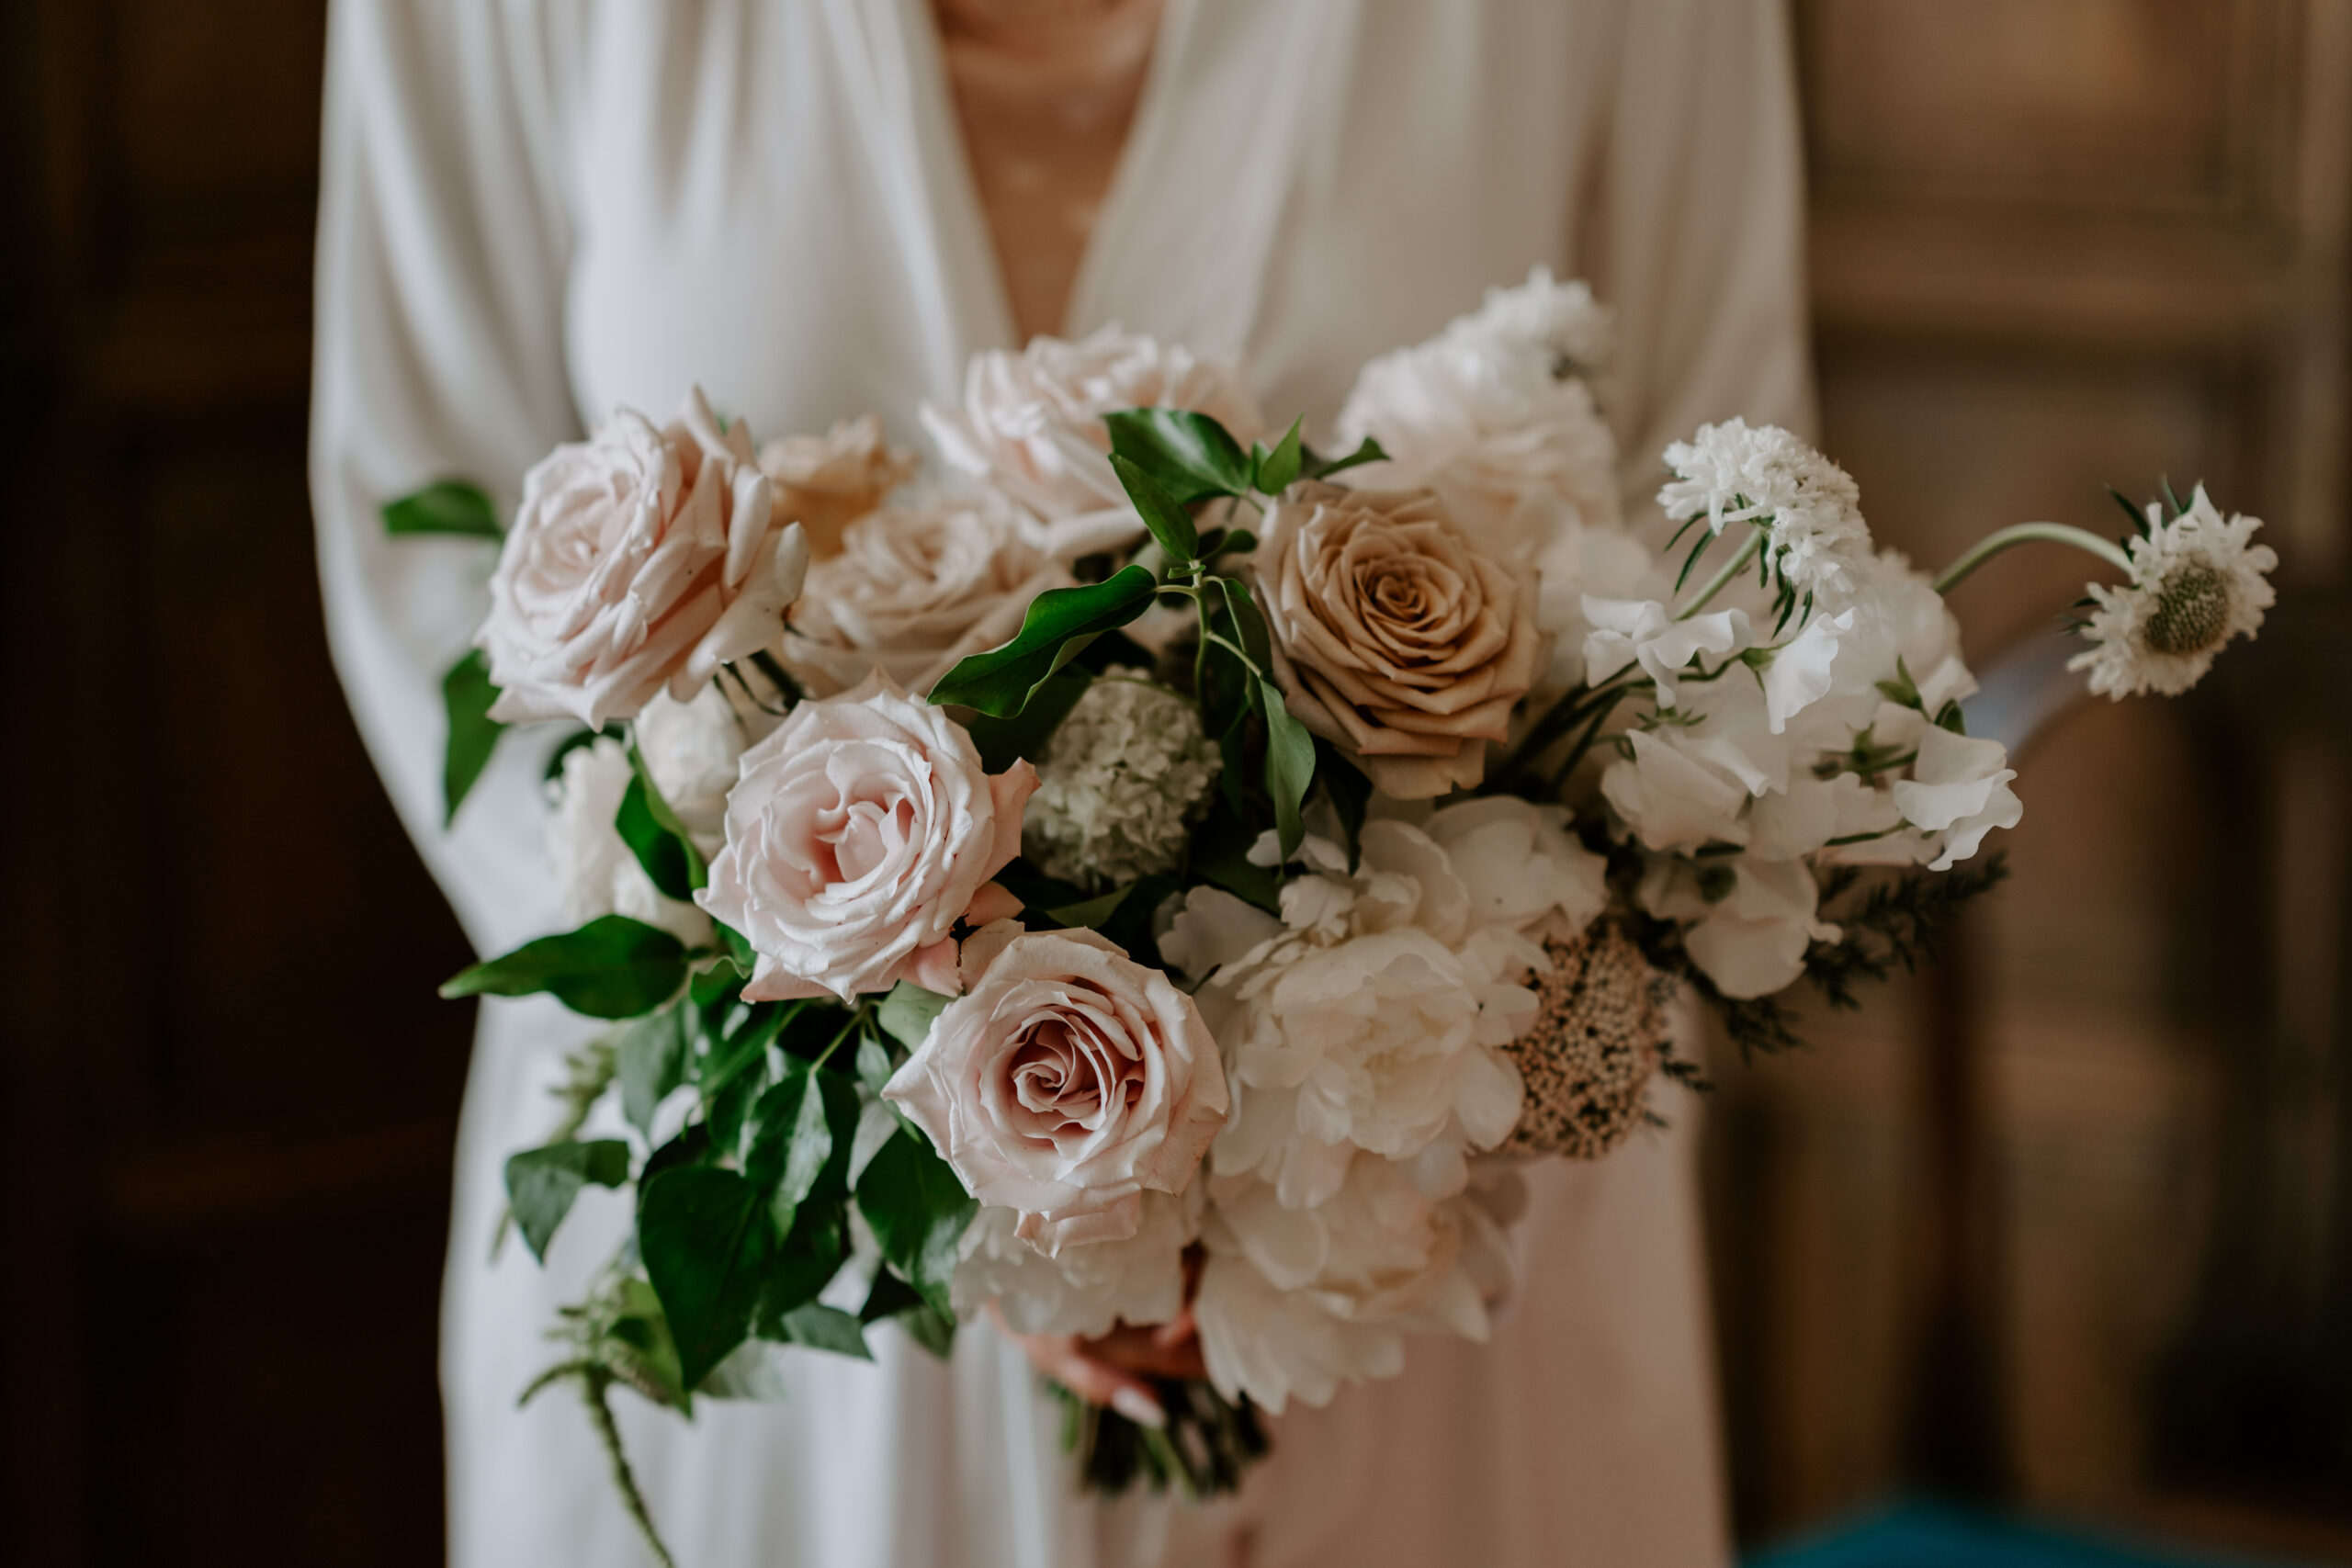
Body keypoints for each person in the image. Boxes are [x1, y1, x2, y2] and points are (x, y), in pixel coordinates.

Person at [310, 3, 1811, 1563]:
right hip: (782, 1272)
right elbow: (439, 559)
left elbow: (1722, 565)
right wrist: (908, 1123)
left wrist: (1288, 1183)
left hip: (1416, 1233)